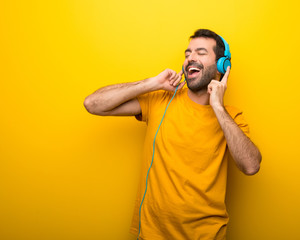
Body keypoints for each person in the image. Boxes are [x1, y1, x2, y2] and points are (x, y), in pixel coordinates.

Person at [84, 29, 262, 240]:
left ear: (222, 66)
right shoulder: (161, 100)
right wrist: (151, 83)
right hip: (152, 235)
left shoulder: (230, 117)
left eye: (201, 52)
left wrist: (218, 108)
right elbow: (93, 104)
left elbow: (251, 165)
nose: (190, 58)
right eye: (188, 54)